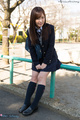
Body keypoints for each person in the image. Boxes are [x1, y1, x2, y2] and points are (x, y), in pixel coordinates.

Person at [19, 6, 62, 116]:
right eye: (38, 18)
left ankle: (34, 106)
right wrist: (37, 63)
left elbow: (51, 47)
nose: (41, 20)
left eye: (42, 17)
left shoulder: (50, 28)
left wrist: (45, 63)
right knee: (33, 77)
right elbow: (32, 48)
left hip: (50, 58)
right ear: (33, 19)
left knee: (41, 77)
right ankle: (26, 102)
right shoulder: (30, 31)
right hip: (37, 59)